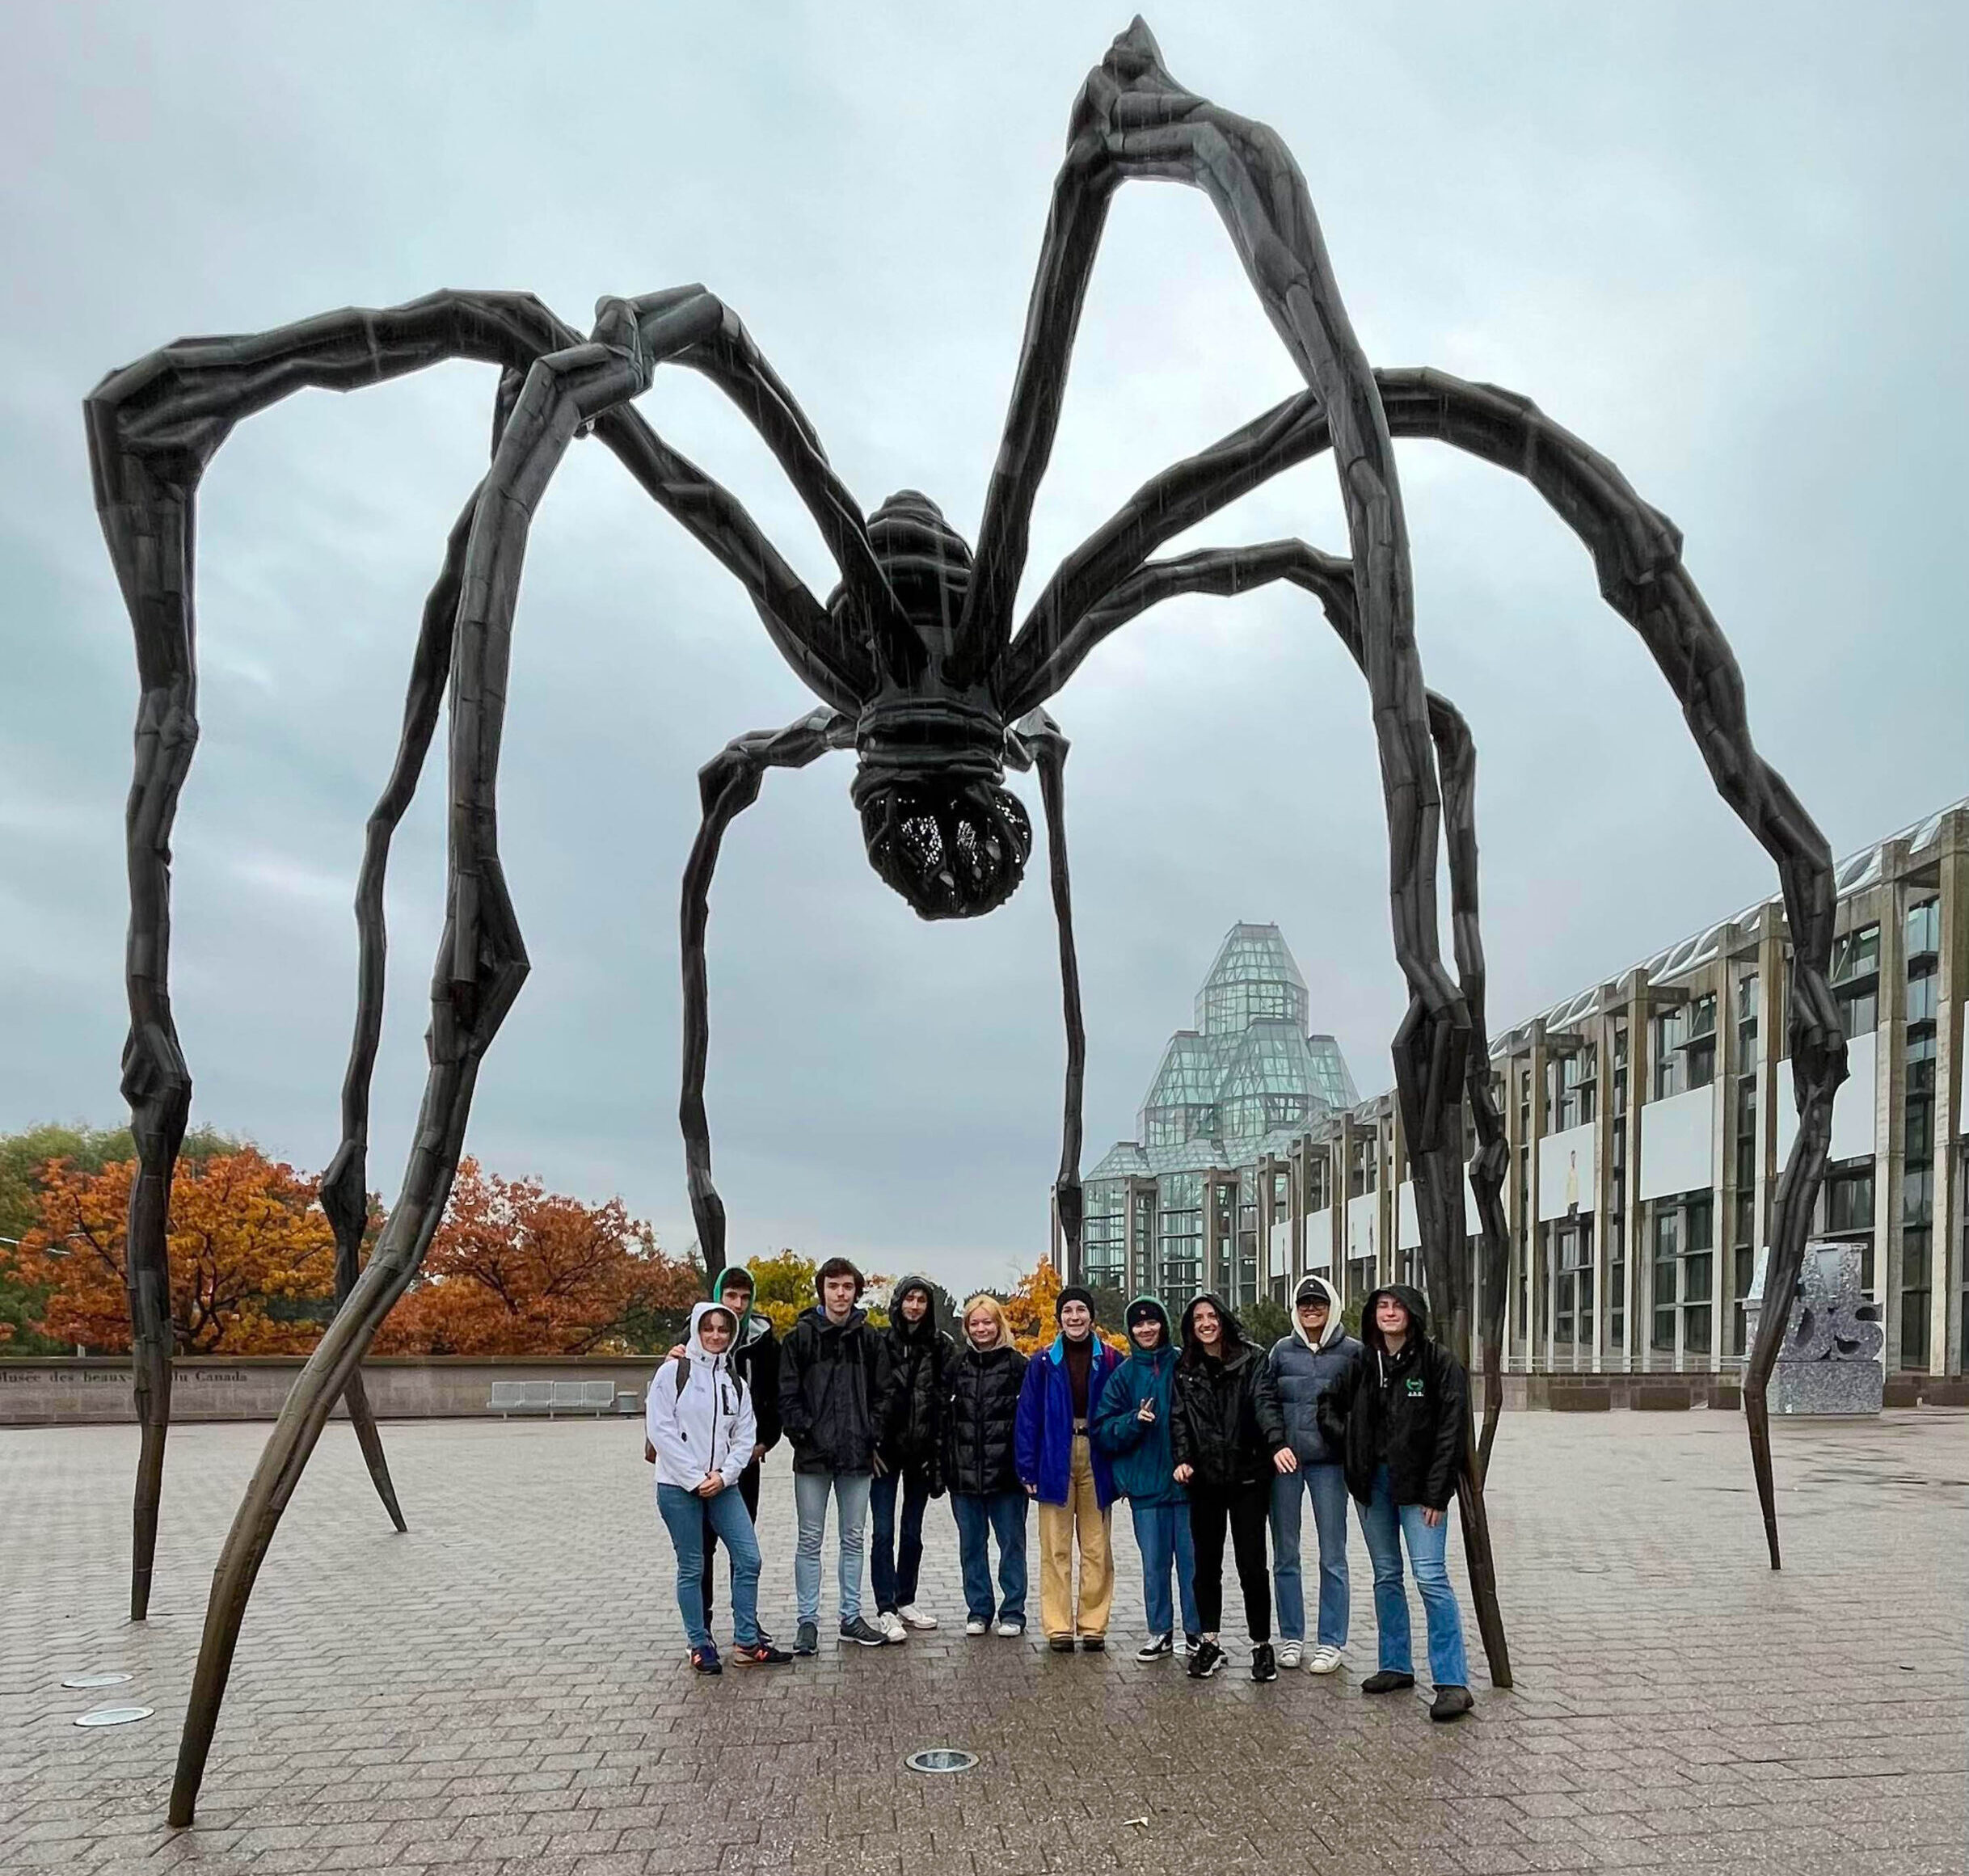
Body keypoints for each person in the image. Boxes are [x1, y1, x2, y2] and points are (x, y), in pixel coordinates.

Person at [1331, 1284, 1475, 1722]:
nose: (1388, 1313)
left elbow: (1451, 1430)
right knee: (1386, 1576)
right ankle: (1395, 1664)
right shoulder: (1361, 1360)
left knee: (1430, 1577)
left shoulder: (1437, 1363)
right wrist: (1353, 1447)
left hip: (1419, 1490)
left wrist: (1438, 1492)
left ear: (1413, 1313)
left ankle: (1452, 1682)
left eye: (1396, 1307)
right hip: (1373, 1487)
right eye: (1381, 1307)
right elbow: (1328, 1406)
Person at [644, 1301, 793, 1673]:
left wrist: (724, 1476)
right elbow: (660, 1430)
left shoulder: (734, 1383)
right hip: (678, 1486)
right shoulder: (671, 1374)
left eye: (723, 1330)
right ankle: (699, 1641)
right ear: (696, 1330)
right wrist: (695, 1478)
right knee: (692, 1565)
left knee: (749, 1558)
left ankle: (746, 1641)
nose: (715, 1336)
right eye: (708, 1328)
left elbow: (745, 1437)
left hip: (723, 1485)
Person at [1170, 1291, 1294, 1683]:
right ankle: (1210, 1641)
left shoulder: (1253, 1358)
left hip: (1248, 1475)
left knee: (1252, 1564)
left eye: (1211, 1316)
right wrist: (1183, 1458)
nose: (1205, 1324)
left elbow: (1265, 1403)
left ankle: (1261, 1644)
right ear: (1191, 1327)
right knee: (1206, 1566)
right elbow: (1178, 1419)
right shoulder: (1184, 1365)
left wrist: (1277, 1444)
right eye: (1197, 1319)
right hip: (1204, 1479)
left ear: (1222, 1319)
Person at [778, 1256, 892, 1653]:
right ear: (822, 1290)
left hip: (857, 1455)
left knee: (853, 1538)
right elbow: (787, 1396)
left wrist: (870, 1434)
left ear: (856, 1291)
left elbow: (884, 1394)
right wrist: (804, 1433)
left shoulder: (871, 1339)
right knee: (809, 1539)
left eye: (847, 1287)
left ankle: (851, 1616)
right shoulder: (799, 1339)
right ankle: (807, 1621)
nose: (840, 1294)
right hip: (813, 1457)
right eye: (833, 1286)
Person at [1090, 1296, 1200, 1661]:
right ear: (1131, 1330)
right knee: (1154, 1565)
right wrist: (1132, 1423)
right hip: (1145, 1488)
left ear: (1164, 1325)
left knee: (1193, 1564)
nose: (1146, 1329)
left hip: (1188, 1485)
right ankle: (1160, 1632)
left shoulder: (1185, 1363)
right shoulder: (1123, 1374)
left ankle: (1197, 1633)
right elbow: (1103, 1430)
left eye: (1152, 1322)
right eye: (1138, 1324)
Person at [1014, 1284, 1122, 1651]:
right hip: (1054, 1457)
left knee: (1096, 1547)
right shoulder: (1043, 1362)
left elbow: (1121, 1412)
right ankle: (1058, 1626)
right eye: (1068, 1311)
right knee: (1055, 1547)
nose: (1074, 1317)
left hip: (1097, 1454)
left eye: (1081, 1310)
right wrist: (1027, 1469)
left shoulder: (1110, 1359)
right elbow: (1028, 1418)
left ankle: (1093, 1625)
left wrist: (1118, 1466)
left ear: (1092, 1316)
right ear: (1059, 1318)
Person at [1267, 1272, 1357, 1673]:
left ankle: (1331, 1640)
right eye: (1304, 1304)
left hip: (1330, 1466)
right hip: (1286, 1464)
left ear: (1332, 1306)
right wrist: (1276, 1444)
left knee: (1332, 1555)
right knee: (1285, 1554)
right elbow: (1266, 1401)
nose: (1311, 1310)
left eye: (1318, 1303)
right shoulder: (1281, 1352)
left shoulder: (1353, 1352)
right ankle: (1291, 1635)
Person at [698, 1265, 781, 1642]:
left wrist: (764, 1443)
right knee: (700, 1551)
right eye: (731, 1296)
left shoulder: (763, 1341)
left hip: (746, 1461)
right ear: (718, 1296)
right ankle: (701, 1626)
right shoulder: (694, 1338)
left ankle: (746, 1625)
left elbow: (775, 1399)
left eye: (745, 1297)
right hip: (700, 1467)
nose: (738, 1304)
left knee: (743, 1548)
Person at [870, 1274, 954, 1640]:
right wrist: (870, 1445)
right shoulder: (880, 1343)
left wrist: (936, 1452)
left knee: (912, 1532)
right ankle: (885, 1607)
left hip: (920, 1453)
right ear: (899, 1302)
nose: (915, 1306)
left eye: (921, 1300)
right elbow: (868, 1394)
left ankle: (906, 1599)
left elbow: (945, 1401)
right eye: (910, 1299)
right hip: (885, 1454)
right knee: (883, 1532)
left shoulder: (941, 1346)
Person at [943, 1293, 1029, 1637]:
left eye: (987, 1322)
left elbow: (1029, 1422)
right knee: (971, 1546)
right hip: (964, 1475)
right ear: (967, 1327)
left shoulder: (1017, 1365)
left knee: (1012, 1545)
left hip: (1007, 1476)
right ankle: (978, 1610)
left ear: (999, 1324)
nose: (981, 1328)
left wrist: (1026, 1469)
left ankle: (1013, 1612)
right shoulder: (956, 1366)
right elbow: (943, 1419)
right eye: (974, 1323)